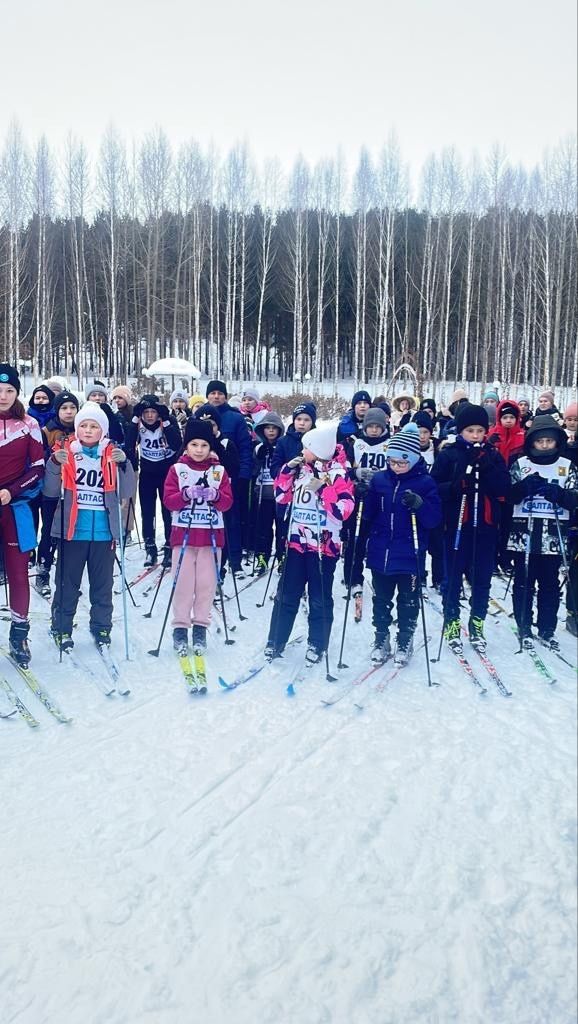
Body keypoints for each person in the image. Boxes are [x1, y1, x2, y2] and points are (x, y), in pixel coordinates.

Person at [44, 402, 135, 651]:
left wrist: (125, 463)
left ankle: (101, 626)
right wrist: (53, 463)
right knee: (67, 583)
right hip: (73, 529)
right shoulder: (66, 451)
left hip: (105, 531)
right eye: (83, 425)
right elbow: (51, 491)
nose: (87, 430)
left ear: (102, 430)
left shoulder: (111, 453)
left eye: (93, 426)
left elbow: (127, 491)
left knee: (103, 584)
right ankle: (61, 627)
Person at [265, 425, 354, 664]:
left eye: (307, 447)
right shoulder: (300, 471)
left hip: (324, 548)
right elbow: (281, 497)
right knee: (286, 594)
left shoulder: (339, 473)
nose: (302, 451)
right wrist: (286, 471)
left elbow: (344, 510)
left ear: (319, 450)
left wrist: (325, 489)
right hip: (296, 543)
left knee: (319, 597)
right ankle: (276, 639)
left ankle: (318, 642)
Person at [431, 403, 510, 653]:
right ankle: (452, 621)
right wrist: (455, 486)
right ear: (460, 431)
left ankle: (477, 623)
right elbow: (434, 487)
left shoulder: (492, 454)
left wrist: (488, 470)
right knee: (452, 577)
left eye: (479, 430)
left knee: (482, 578)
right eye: (470, 431)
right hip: (457, 526)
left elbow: (504, 489)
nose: (475, 436)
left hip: (485, 527)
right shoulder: (449, 454)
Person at [364, 423, 441, 665]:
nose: (396, 467)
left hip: (410, 554)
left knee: (408, 601)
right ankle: (381, 637)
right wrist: (362, 495)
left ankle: (405, 638)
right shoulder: (379, 480)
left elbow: (434, 519)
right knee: (380, 600)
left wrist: (420, 504)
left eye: (402, 463)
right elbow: (368, 514)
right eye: (392, 462)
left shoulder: (425, 483)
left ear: (414, 459)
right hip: (380, 551)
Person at [507, 416, 578, 651]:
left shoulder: (567, 466)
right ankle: (524, 625)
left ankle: (547, 628)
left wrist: (559, 494)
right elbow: (508, 495)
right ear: (532, 443)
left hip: (553, 536)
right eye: (540, 441)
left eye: (549, 441)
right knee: (524, 582)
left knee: (549, 583)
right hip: (523, 534)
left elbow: (574, 499)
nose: (545, 445)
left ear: (557, 442)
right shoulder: (520, 463)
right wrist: (523, 488)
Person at [162, 418, 233, 654]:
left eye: (204, 445)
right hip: (183, 536)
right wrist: (185, 494)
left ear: (210, 446)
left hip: (211, 538)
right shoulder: (177, 469)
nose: (199, 450)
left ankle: (200, 626)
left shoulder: (219, 471)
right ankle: (180, 627)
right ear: (186, 446)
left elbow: (227, 503)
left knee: (206, 584)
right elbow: (169, 501)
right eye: (194, 445)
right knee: (182, 584)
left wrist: (215, 495)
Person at [0, 364, 45, 665]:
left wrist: (11, 491)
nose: (3, 396)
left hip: (14, 509)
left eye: (9, 391)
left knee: (18, 573)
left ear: (17, 392)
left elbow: (39, 468)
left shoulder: (29, 424)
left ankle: (19, 634)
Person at [126, 394, 182, 567]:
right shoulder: (138, 424)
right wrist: (135, 419)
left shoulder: (167, 422)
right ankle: (150, 547)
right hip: (148, 473)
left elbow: (177, 444)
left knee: (168, 511)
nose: (150, 415)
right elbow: (129, 444)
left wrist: (165, 420)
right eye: (146, 412)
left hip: (167, 473)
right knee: (147, 511)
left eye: (153, 412)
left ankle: (169, 546)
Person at [342, 407, 390, 603]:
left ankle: (381, 578)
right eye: (370, 426)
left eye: (378, 426)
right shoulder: (355, 443)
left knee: (379, 540)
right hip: (359, 496)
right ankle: (353, 578)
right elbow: (344, 467)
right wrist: (355, 475)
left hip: (380, 499)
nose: (374, 430)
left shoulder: (390, 444)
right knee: (356, 540)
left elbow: (395, 467)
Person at [36, 391, 80, 596]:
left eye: (72, 407)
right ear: (57, 410)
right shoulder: (47, 430)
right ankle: (43, 570)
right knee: (50, 530)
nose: (69, 412)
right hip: (52, 487)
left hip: (75, 488)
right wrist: (52, 455)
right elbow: (38, 456)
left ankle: (68, 576)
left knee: (72, 529)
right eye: (64, 408)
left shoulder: (83, 428)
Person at [205, 380, 253, 569]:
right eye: (212, 393)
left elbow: (245, 448)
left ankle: (234, 559)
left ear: (225, 395)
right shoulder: (201, 416)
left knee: (232, 519)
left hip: (230, 477)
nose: (216, 396)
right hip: (205, 478)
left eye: (220, 393)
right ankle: (211, 556)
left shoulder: (235, 418)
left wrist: (244, 474)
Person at [270, 402, 317, 567]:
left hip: (309, 494)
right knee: (283, 528)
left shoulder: (317, 440)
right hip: (287, 493)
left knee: (304, 530)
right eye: (298, 419)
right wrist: (288, 468)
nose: (302, 423)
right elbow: (274, 469)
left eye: (306, 420)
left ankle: (303, 560)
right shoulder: (284, 441)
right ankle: (282, 559)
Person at [250, 411, 285, 573]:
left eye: (274, 428)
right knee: (262, 528)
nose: (271, 431)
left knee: (281, 528)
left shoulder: (283, 445)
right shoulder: (258, 447)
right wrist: (258, 458)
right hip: (263, 493)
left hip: (280, 493)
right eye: (267, 428)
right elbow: (254, 470)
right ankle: (262, 557)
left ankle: (281, 557)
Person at [412, 411, 443, 589]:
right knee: (419, 544)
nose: (421, 436)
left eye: (425, 432)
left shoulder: (439, 450)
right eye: (417, 432)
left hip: (435, 503)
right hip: (416, 503)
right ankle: (420, 576)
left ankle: (439, 578)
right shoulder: (408, 452)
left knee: (438, 545)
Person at [111, 385, 138, 543]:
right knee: (115, 499)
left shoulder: (133, 416)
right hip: (113, 462)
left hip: (130, 463)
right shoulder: (113, 416)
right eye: (115, 398)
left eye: (120, 397)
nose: (117, 401)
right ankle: (116, 528)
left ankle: (127, 530)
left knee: (128, 499)